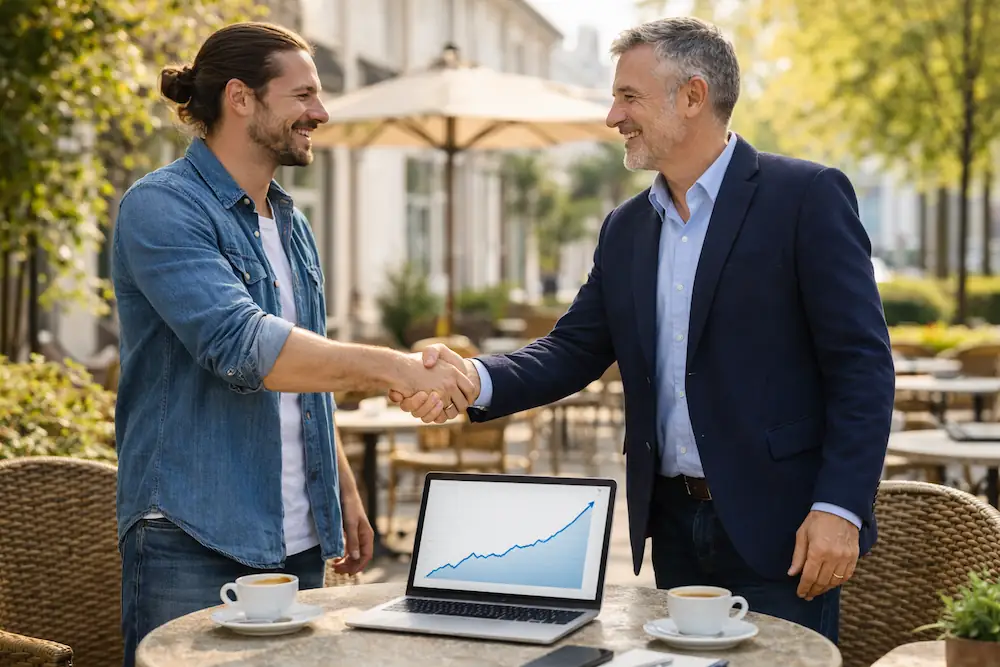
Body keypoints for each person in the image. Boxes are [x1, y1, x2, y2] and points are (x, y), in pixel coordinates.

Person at [391, 16, 895, 643]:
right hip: (673, 524)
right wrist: (474, 376)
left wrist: (839, 507)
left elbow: (862, 367)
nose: (612, 116)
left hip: (784, 528)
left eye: (628, 96)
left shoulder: (806, 196)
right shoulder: (627, 227)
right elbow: (573, 347)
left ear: (692, 96)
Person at [112, 22, 476, 666]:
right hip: (192, 533)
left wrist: (340, 490)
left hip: (297, 535)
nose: (321, 112)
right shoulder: (162, 208)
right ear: (241, 98)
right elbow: (247, 346)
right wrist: (397, 366)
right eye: (303, 94)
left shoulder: (291, 221)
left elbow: (307, 368)